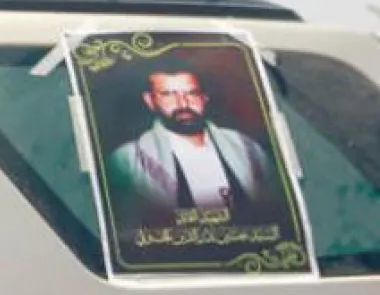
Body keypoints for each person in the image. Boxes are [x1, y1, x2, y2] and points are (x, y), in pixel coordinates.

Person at [104, 56, 281, 225]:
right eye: (168, 95)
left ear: (204, 98)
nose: (183, 103)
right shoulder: (129, 159)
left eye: (191, 93)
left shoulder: (246, 148)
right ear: (150, 101)